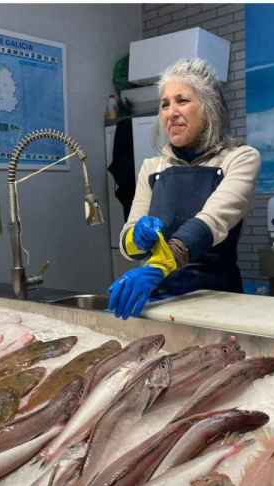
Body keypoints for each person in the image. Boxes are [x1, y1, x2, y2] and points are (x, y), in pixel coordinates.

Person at [107, 58, 261, 319]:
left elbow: (211, 221)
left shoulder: (240, 158)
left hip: (219, 302)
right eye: (164, 104)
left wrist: (158, 265)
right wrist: (135, 238)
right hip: (160, 302)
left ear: (209, 108)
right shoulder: (152, 167)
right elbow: (128, 240)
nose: (171, 111)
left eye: (182, 100)